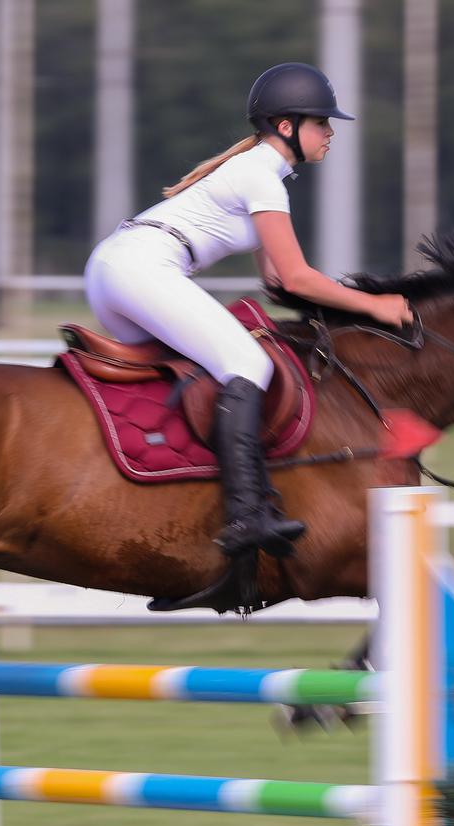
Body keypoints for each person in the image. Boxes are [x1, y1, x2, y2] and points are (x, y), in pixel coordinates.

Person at [84, 62, 411, 606]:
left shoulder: (264, 173)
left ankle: (184, 510)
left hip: (118, 267)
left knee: (213, 371)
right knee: (249, 366)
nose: (330, 133)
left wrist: (338, 318)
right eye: (321, 123)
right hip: (140, 269)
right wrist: (375, 305)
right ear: (286, 126)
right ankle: (247, 519)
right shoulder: (260, 174)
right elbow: (300, 276)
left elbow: (276, 280)